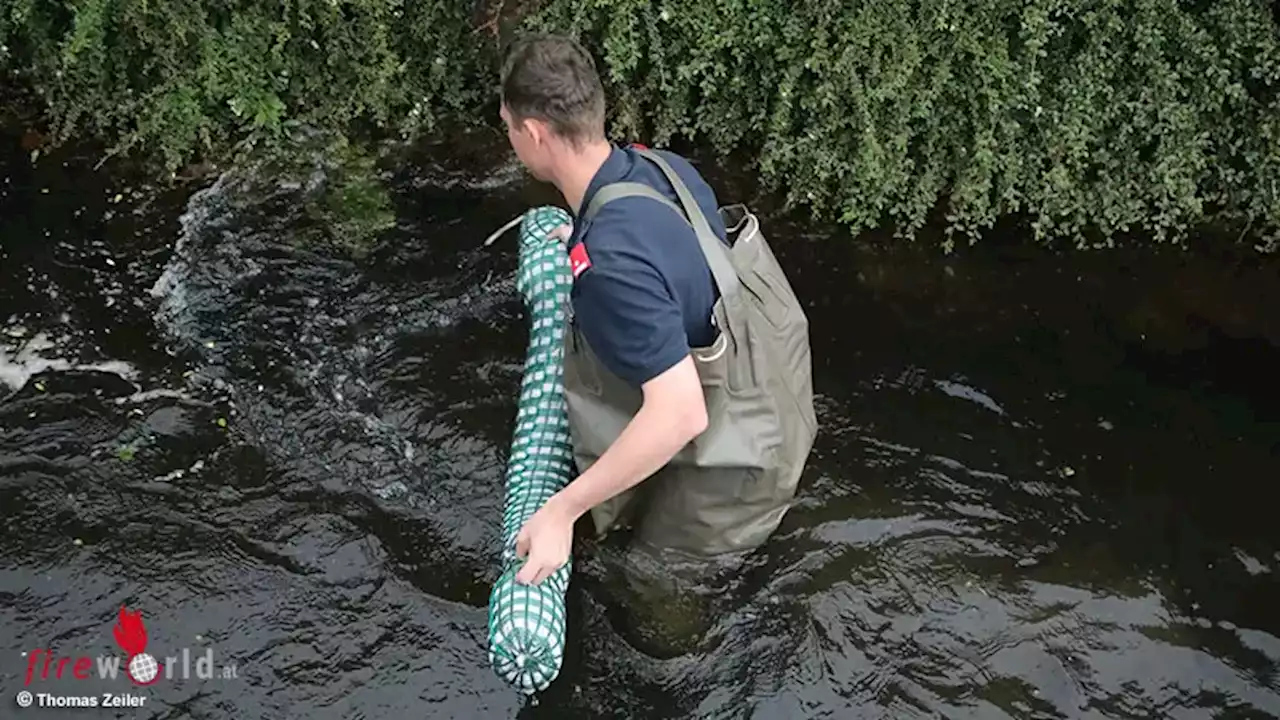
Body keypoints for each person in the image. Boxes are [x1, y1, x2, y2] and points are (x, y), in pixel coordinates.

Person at [498, 32, 818, 587]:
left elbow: (682, 414)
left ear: (534, 133)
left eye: (508, 129)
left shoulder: (609, 267)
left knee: (653, 606)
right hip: (774, 403)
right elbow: (672, 264)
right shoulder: (655, 167)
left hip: (735, 475)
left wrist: (561, 512)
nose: (510, 140)